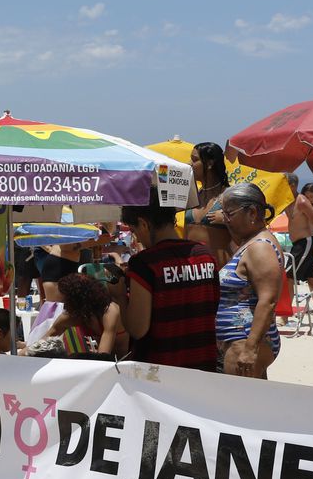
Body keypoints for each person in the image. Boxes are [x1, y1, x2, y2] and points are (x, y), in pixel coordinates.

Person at [111, 188, 220, 371]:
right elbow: (211, 308)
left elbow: (138, 329)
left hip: (160, 373)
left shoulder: (144, 263)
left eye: (134, 230)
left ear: (143, 224)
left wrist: (120, 297)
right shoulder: (206, 255)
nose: (136, 237)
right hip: (204, 367)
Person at [216, 183, 284, 379]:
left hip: (244, 341)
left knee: (236, 405)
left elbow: (268, 300)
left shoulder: (260, 247)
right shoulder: (251, 243)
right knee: (253, 405)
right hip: (243, 340)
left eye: (230, 214)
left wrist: (250, 348)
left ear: (252, 212)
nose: (225, 220)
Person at [45, 273, 127, 356]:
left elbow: (103, 355)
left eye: (66, 302)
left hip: (128, 361)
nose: (64, 306)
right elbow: (42, 343)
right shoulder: (72, 316)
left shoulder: (110, 311)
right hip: (104, 359)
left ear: (75, 300)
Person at [183, 142, 232, 267]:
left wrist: (227, 219)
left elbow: (247, 232)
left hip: (220, 274)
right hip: (193, 274)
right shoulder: (193, 197)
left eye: (195, 160)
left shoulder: (229, 196)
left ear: (210, 164)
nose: (189, 164)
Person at [284, 174, 313, 294]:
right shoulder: (287, 201)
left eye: (284, 185)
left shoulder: (302, 201)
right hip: (298, 244)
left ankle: (287, 311)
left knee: (289, 275)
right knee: (311, 278)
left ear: (293, 186)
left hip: (306, 242)